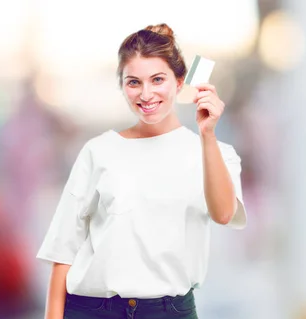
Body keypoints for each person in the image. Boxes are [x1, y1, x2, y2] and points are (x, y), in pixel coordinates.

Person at [37, 23, 247, 319]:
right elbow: (63, 252)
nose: (146, 94)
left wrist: (207, 135)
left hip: (169, 311)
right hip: (92, 310)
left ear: (179, 81)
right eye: (133, 82)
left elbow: (224, 214)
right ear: (122, 85)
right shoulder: (98, 152)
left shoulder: (216, 153)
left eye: (157, 79)